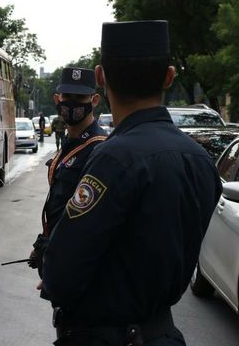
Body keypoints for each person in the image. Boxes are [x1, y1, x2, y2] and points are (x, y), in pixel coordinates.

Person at [40, 21, 222, 346]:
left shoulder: (112, 159)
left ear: (100, 78)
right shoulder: (200, 160)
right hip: (163, 332)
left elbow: (61, 275)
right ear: (169, 77)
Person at [28, 67, 107, 294]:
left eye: (80, 98)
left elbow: (88, 225)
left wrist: (61, 268)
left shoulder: (98, 149)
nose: (72, 104)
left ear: (94, 100)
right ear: (57, 99)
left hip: (76, 271)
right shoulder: (70, 144)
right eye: (67, 97)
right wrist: (42, 243)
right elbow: (61, 205)